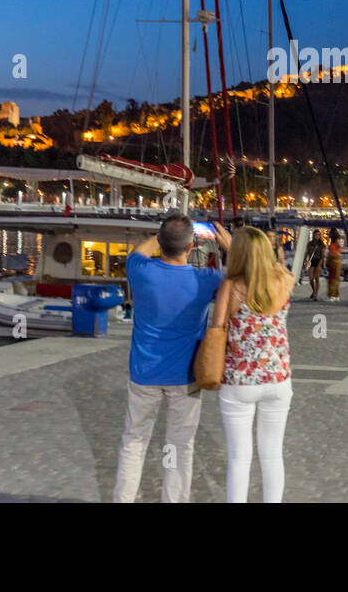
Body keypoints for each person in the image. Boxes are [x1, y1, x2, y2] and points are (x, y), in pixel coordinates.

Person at [114, 215, 227, 503]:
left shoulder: (139, 269)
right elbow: (244, 274)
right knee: (180, 446)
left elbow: (141, 250)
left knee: (134, 442)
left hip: (143, 372)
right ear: (192, 246)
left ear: (160, 243)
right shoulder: (207, 280)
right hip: (185, 376)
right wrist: (230, 245)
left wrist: (162, 235)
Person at [211, 225, 294, 502]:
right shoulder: (284, 281)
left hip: (239, 381)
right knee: (272, 453)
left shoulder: (230, 288)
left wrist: (231, 250)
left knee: (239, 457)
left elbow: (217, 329)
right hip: (278, 380)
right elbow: (268, 266)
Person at [304, 229, 326, 300]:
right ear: (313, 235)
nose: (317, 236)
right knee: (311, 278)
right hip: (311, 261)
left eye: (319, 235)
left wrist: (321, 263)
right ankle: (314, 291)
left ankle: (315, 295)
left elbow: (323, 255)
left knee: (317, 279)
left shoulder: (322, 244)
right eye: (316, 235)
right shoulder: (309, 243)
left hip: (319, 260)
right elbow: (306, 252)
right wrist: (304, 261)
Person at [325, 227, 343, 302]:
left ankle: (332, 295)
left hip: (334, 261)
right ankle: (335, 295)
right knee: (335, 278)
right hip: (335, 261)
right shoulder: (336, 241)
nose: (328, 233)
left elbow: (339, 249)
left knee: (332, 279)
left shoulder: (336, 241)